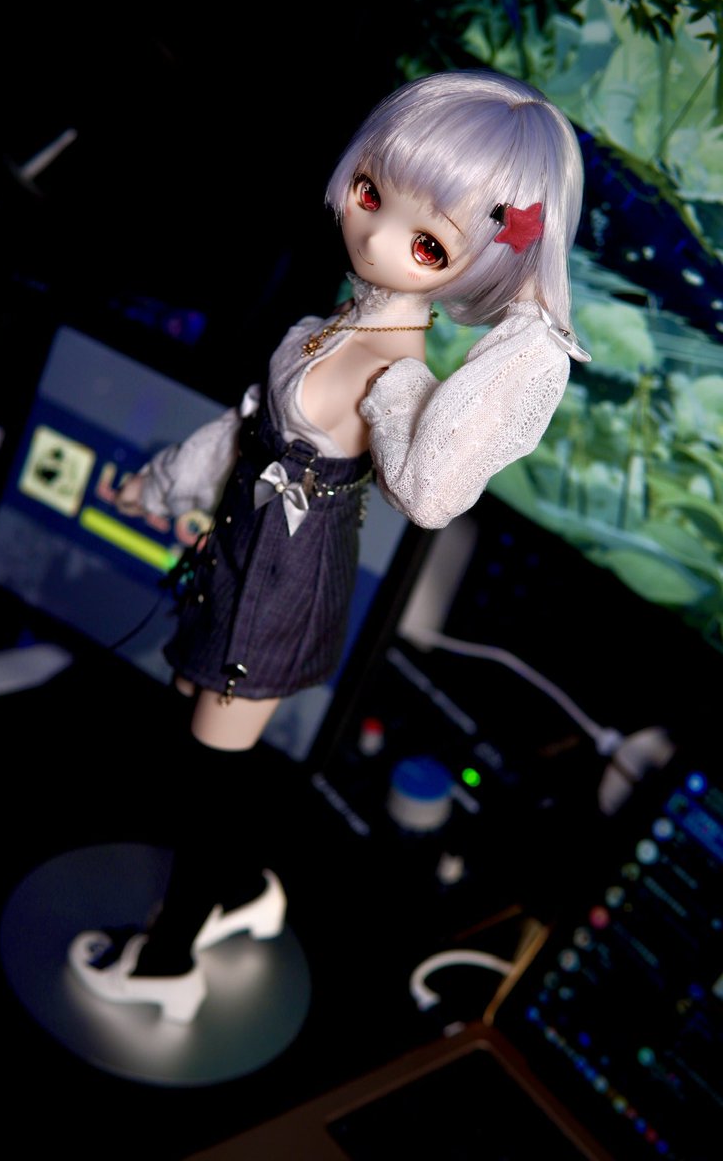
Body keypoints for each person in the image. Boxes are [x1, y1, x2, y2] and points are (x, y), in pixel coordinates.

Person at [67, 68, 590, 1024]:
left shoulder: (392, 373)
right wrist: (164, 483)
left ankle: (170, 958)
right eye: (371, 192)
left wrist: (421, 389)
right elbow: (247, 431)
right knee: (196, 732)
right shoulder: (340, 328)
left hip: (276, 584)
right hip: (240, 557)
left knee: (207, 772)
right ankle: (238, 892)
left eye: (429, 243)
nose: (378, 236)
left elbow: (424, 488)